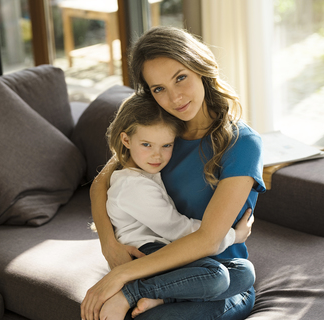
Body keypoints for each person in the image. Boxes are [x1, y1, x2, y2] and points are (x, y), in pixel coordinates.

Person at [81, 26, 265, 320]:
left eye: (181, 78)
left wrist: (122, 278)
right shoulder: (160, 134)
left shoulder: (242, 143)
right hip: (160, 268)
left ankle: (140, 294)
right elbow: (100, 183)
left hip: (219, 278)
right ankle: (149, 294)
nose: (175, 98)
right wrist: (109, 246)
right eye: (159, 89)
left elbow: (207, 240)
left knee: (241, 275)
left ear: (200, 68)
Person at [102, 93, 255, 319]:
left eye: (166, 145)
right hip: (147, 253)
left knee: (244, 272)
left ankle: (162, 298)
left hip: (166, 250)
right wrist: (234, 235)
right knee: (216, 275)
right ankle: (132, 293)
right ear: (126, 140)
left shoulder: (145, 174)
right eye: (146, 144)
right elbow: (177, 229)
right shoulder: (133, 187)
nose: (157, 155)